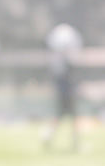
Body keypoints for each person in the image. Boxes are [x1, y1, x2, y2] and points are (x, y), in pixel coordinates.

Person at [43, 23, 83, 152]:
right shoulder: (63, 64)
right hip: (66, 91)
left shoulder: (59, 62)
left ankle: (52, 136)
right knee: (67, 115)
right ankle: (73, 141)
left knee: (64, 115)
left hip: (65, 89)